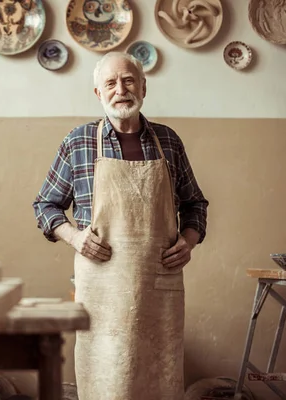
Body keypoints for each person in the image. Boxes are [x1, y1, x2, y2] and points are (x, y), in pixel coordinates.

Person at [32, 51, 209, 400]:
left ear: (143, 87)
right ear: (99, 93)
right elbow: (45, 205)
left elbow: (195, 205)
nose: (120, 89)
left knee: (160, 376)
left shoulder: (168, 141)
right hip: (102, 289)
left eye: (129, 80)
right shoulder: (78, 141)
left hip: (158, 287)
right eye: (110, 83)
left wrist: (188, 241)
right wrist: (74, 236)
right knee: (106, 380)